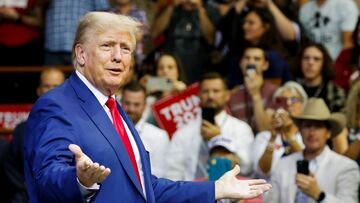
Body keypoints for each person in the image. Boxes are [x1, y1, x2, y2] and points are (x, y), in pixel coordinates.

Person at [24, 12, 271, 203]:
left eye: (126, 49)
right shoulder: (56, 104)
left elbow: (147, 190)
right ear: (81, 54)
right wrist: (78, 180)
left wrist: (215, 189)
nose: (118, 57)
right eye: (107, 46)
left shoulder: (115, 110)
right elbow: (46, 177)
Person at [265, 98, 359, 203]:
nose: (312, 133)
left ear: (328, 133)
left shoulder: (346, 167)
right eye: (307, 126)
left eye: (318, 127)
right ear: (300, 131)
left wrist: (319, 195)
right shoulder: (283, 164)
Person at [165, 72, 254, 181]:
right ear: (198, 95)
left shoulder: (241, 129)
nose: (210, 96)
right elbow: (173, 173)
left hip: (230, 194)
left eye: (216, 91)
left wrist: (219, 139)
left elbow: (247, 167)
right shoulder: (183, 132)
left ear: (227, 95)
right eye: (205, 91)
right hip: (193, 194)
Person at [3, 68, 65, 203]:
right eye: (46, 86)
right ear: (39, 91)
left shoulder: (79, 126)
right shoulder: (22, 130)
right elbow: (13, 171)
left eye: (56, 86)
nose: (51, 90)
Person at [252, 81, 306, 179]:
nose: (288, 104)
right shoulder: (264, 136)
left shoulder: (308, 135)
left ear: (304, 105)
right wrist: (272, 138)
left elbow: (308, 167)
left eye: (293, 99)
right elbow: (263, 172)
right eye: (282, 100)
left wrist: (290, 136)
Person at [120, 81, 169, 177]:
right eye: (127, 103)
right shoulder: (110, 130)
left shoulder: (159, 136)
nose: (131, 109)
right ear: (120, 102)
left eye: (136, 104)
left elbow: (160, 174)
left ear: (145, 105)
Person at [227, 46, 277, 132]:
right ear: (240, 63)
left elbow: (265, 131)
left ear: (265, 65)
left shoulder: (275, 92)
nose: (251, 62)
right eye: (247, 58)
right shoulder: (232, 95)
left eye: (257, 59)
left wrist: (255, 94)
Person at [293, 43, 346, 112]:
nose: (310, 62)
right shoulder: (292, 90)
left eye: (316, 59)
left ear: (324, 63)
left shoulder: (335, 92)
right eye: (306, 58)